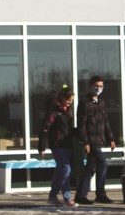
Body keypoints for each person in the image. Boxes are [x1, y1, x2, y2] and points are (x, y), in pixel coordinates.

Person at [75, 76, 116, 205]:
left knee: (91, 169)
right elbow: (81, 125)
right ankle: (101, 193)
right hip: (91, 141)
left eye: (101, 86)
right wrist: (85, 142)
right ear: (90, 86)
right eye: (96, 86)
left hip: (99, 139)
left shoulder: (101, 102)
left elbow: (105, 122)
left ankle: (80, 195)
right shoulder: (84, 103)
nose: (98, 89)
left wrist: (111, 139)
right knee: (103, 163)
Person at [38, 87, 78, 207]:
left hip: (68, 143)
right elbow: (45, 128)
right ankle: (67, 198)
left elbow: (69, 128)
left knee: (60, 171)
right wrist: (42, 146)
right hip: (57, 144)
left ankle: (52, 196)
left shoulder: (69, 110)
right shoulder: (54, 111)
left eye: (71, 100)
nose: (70, 102)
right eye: (68, 100)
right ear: (62, 98)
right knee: (66, 168)